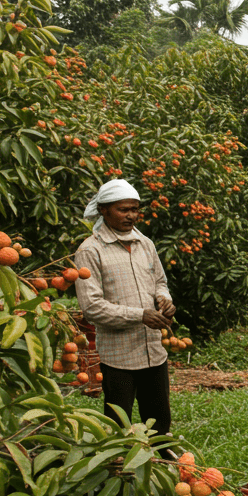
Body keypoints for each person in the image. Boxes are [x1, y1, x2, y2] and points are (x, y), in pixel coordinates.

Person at [74, 179, 176, 437]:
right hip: (119, 356)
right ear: (104, 210)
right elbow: (92, 307)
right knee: (118, 424)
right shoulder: (90, 250)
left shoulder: (146, 244)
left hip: (153, 350)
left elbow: (159, 282)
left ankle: (162, 468)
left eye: (135, 209)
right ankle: (118, 470)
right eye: (123, 209)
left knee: (160, 421)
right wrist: (140, 315)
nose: (131, 215)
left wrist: (164, 299)